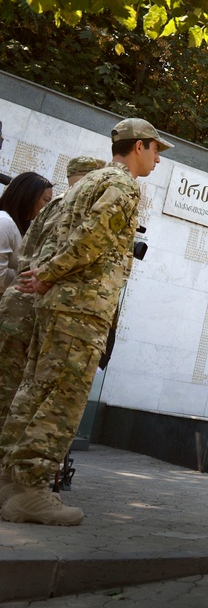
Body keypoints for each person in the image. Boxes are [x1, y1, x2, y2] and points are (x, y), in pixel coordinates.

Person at [0, 119, 171, 526]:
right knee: (61, 401)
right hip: (80, 309)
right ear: (139, 146)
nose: (158, 159)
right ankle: (32, 491)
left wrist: (44, 276)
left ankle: (10, 481)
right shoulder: (123, 184)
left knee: (34, 391)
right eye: (155, 150)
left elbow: (47, 240)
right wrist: (50, 274)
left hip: (57, 304)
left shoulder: (84, 187)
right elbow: (92, 238)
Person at [0, 157, 105, 435]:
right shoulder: (77, 210)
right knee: (9, 395)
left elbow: (27, 254)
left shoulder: (54, 206)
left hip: (18, 305)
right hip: (33, 306)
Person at [0, 171, 53, 291]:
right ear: (28, 196)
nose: (48, 207)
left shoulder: (22, 228)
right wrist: (31, 277)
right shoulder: (4, 223)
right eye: (46, 200)